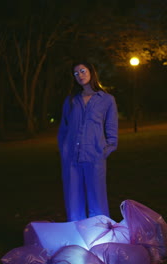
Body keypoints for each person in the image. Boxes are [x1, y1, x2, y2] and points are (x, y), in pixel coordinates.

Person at [57, 61, 119, 222]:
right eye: (76, 73)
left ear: (91, 72)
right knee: (73, 200)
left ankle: (100, 236)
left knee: (97, 199)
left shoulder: (107, 100)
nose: (80, 75)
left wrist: (106, 149)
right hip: (71, 158)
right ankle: (77, 235)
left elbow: (111, 129)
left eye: (83, 71)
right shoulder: (71, 100)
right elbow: (63, 129)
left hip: (95, 156)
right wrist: (64, 150)